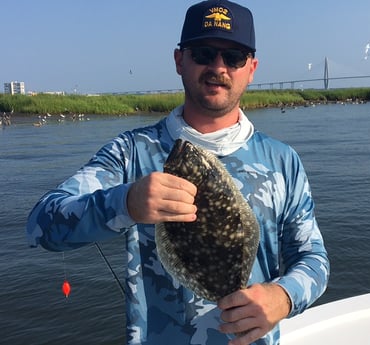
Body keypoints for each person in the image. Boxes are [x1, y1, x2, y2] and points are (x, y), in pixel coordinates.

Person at [26, 1, 329, 344]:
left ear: (252, 68)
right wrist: (125, 202)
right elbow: (41, 225)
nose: (219, 67)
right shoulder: (131, 153)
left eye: (234, 58)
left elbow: (313, 259)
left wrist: (284, 296)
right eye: (204, 52)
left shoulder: (282, 160)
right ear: (179, 60)